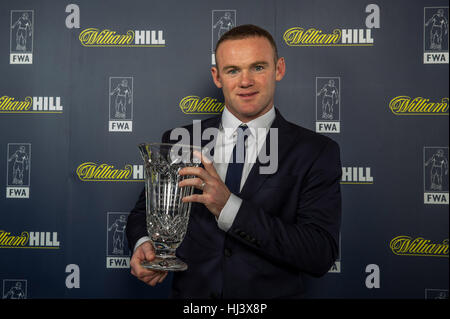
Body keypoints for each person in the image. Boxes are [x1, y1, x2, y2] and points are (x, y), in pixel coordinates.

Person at [126, 24, 342, 298]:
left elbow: (319, 253)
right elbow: (142, 215)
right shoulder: (181, 140)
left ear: (279, 69)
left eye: (258, 67)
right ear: (217, 77)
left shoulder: (316, 151)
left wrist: (229, 207)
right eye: (233, 70)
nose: (245, 81)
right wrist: (143, 244)